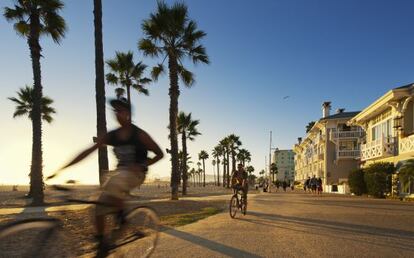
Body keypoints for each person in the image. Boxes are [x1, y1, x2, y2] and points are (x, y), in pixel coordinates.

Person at [48, 98, 164, 254]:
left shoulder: (140, 134)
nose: (117, 114)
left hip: (137, 174)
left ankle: (122, 221)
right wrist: (62, 168)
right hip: (119, 175)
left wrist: (142, 165)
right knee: (97, 206)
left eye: (121, 110)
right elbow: (88, 151)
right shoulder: (113, 135)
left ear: (129, 114)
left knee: (116, 180)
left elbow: (160, 154)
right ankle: (103, 245)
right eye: (115, 111)